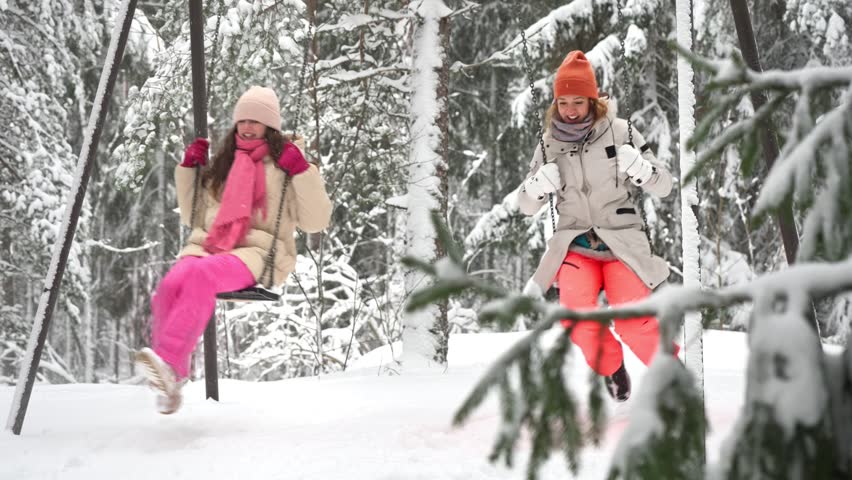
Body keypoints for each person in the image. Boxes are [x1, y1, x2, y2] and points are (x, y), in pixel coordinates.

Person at [135, 86, 332, 414]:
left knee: (199, 275)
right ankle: (172, 380)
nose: (248, 126)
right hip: (210, 245)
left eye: (256, 120)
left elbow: (317, 221)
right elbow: (194, 217)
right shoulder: (225, 162)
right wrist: (189, 170)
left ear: (270, 126)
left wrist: (302, 172)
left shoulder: (285, 164)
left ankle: (169, 364)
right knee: (170, 284)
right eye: (243, 119)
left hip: (258, 252)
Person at [517, 51, 677, 402]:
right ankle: (611, 365)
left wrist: (642, 169)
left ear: (593, 99)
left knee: (635, 322)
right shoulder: (547, 145)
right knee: (577, 318)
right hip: (575, 246)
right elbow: (526, 206)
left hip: (621, 242)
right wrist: (535, 187)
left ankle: (674, 381)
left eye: (578, 101)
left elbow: (665, 185)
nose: (570, 109)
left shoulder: (621, 132)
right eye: (563, 101)